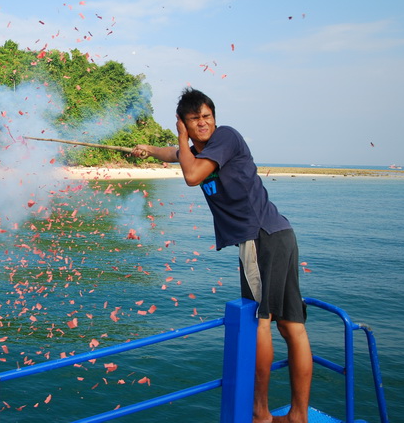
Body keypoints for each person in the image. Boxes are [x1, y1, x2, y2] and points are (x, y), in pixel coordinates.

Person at [133, 87, 312, 423]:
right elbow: (175, 155)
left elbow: (191, 175)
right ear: (185, 121)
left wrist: (182, 139)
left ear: (214, 117)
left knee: (263, 323)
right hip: (278, 234)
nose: (203, 123)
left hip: (259, 239)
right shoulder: (199, 150)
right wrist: (149, 149)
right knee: (292, 327)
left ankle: (261, 414)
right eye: (194, 118)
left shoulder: (225, 137)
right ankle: (297, 417)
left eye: (206, 116)